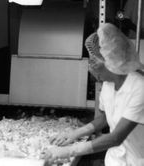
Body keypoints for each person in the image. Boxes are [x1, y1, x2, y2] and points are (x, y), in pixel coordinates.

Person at [43, 23, 144, 166]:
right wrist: (76, 133)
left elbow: (116, 137)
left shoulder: (139, 87)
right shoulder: (108, 84)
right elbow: (104, 118)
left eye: (94, 60)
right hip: (115, 160)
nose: (91, 66)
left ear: (111, 60)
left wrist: (70, 151)